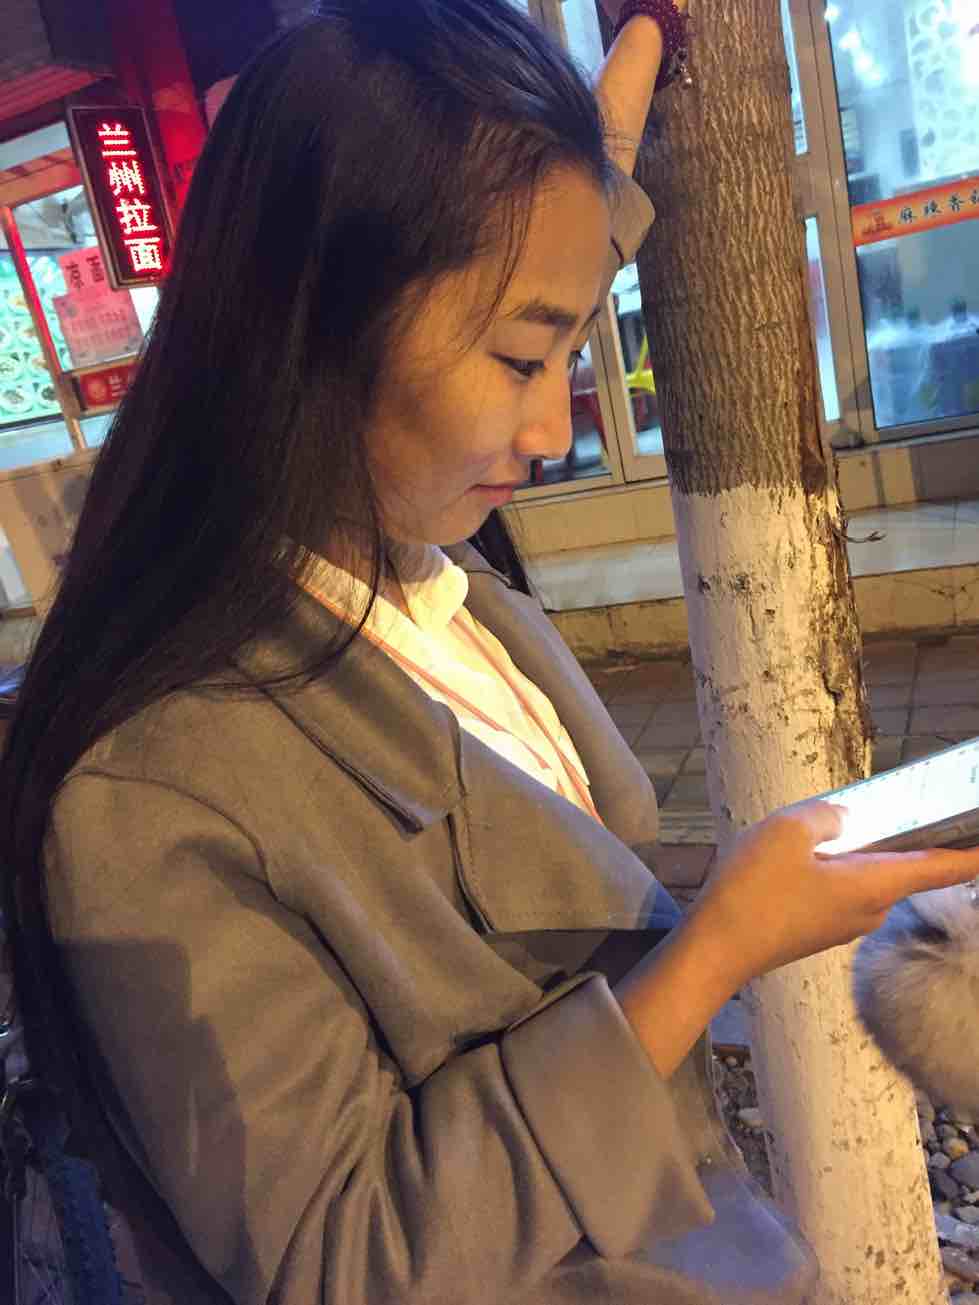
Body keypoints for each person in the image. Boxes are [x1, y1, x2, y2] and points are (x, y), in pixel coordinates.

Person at [1, 2, 977, 1302]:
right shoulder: (150, 786)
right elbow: (342, 1260)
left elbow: (578, 220)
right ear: (314, 320)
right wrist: (717, 947)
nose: (555, 428)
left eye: (574, 348)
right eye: (524, 358)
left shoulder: (429, 576)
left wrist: (642, 39)